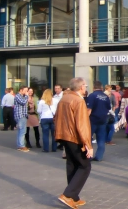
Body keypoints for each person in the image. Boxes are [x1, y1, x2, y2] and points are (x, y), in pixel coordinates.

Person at [55, 77, 93, 208]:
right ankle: (68, 194)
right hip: (75, 137)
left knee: (72, 165)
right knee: (85, 166)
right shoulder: (78, 100)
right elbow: (82, 125)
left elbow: (57, 118)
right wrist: (88, 144)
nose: (86, 88)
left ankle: (74, 197)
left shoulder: (64, 98)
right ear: (81, 87)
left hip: (64, 136)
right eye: (85, 86)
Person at [87, 81, 112, 162]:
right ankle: (99, 156)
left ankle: (89, 155)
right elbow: (109, 107)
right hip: (103, 120)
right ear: (101, 88)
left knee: (88, 138)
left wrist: (85, 119)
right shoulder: (106, 96)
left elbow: (89, 109)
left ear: (94, 87)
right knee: (101, 139)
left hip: (93, 120)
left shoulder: (92, 95)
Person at [14, 86, 29, 152]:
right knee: (22, 131)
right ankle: (21, 146)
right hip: (20, 115)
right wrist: (26, 96)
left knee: (21, 131)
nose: (26, 92)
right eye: (25, 90)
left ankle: (20, 145)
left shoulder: (22, 96)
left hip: (23, 115)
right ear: (21, 90)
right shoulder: (18, 96)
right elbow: (23, 103)